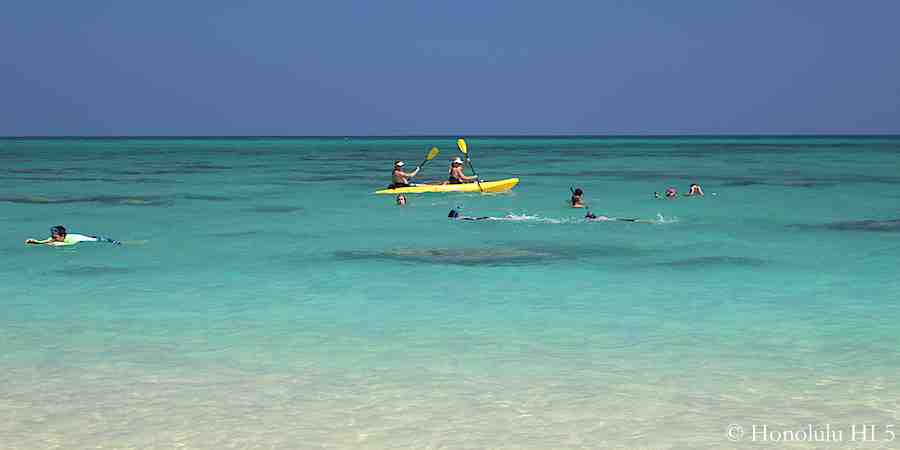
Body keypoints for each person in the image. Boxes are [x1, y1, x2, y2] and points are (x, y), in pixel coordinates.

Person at [25, 225, 121, 246]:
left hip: (95, 240)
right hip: (83, 239)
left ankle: (114, 242)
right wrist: (34, 242)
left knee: (105, 241)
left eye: (55, 236)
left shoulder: (72, 238)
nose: (53, 237)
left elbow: (72, 244)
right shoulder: (54, 238)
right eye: (53, 235)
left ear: (62, 235)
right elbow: (43, 242)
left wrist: (58, 244)